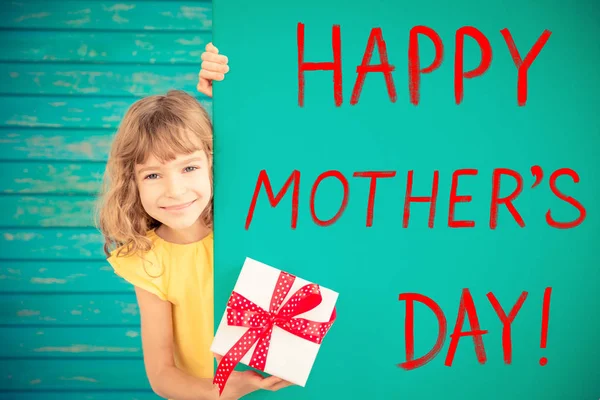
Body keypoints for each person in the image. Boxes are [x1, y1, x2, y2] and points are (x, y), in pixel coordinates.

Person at [97, 43, 293, 400]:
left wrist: (235, 91)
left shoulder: (249, 227)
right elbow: (161, 374)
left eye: (189, 168)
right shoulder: (148, 261)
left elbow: (277, 139)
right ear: (133, 181)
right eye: (153, 175)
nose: (175, 190)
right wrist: (218, 391)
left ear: (212, 163)